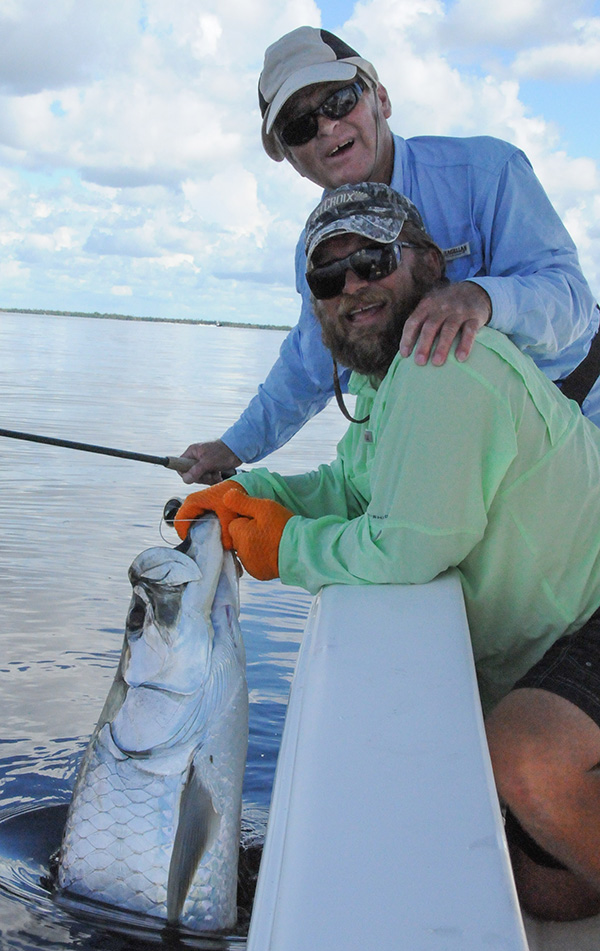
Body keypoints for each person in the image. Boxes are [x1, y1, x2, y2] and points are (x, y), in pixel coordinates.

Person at [175, 182, 600, 922]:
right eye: (328, 277)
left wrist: (277, 541)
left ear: (430, 266)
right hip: (554, 631)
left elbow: (403, 547)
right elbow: (348, 483)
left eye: (372, 261)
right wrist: (255, 492)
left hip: (589, 613)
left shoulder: (445, 364)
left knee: (528, 758)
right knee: (549, 893)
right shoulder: (392, 380)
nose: (353, 288)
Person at [179, 25, 600, 485]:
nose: (326, 127)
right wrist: (234, 446)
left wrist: (481, 297)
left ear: (381, 99)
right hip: (477, 456)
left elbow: (573, 302)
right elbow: (309, 363)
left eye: (338, 101)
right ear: (291, 158)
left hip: (581, 409)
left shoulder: (487, 172)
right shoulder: (316, 248)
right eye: (300, 127)